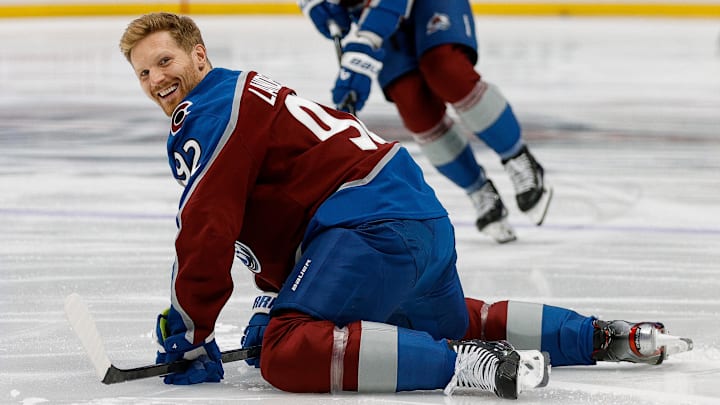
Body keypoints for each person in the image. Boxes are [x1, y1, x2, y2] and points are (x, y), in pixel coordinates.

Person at [119, 12, 692, 399]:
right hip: (413, 219)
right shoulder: (251, 91)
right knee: (444, 318)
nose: (156, 80)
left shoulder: (206, 110)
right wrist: (277, 295)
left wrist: (190, 334)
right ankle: (608, 336)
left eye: (165, 62)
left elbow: (206, 229)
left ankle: (469, 365)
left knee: (286, 351)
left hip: (368, 227)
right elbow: (282, 202)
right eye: (143, 72)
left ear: (198, 55)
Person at [298, 0, 553, 243]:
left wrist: (366, 42)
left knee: (445, 69)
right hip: (369, 9)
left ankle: (518, 158)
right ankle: (478, 189)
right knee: (413, 104)